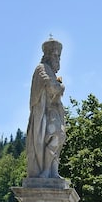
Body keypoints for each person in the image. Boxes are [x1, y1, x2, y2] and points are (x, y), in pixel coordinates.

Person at [26, 37, 66, 179]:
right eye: (56, 56)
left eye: (59, 56)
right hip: (45, 113)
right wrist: (60, 86)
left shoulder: (52, 72)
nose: (58, 60)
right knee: (56, 135)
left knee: (59, 138)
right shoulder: (41, 68)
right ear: (48, 56)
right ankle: (46, 171)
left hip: (55, 112)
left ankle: (52, 171)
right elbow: (51, 87)